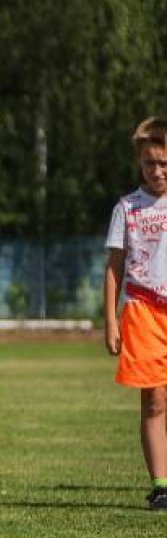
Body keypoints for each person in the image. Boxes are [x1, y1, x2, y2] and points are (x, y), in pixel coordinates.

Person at [104, 116, 167, 511]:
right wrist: (110, 320)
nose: (157, 171)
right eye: (149, 163)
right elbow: (114, 267)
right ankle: (161, 485)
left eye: (164, 163)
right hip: (142, 309)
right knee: (155, 401)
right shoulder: (127, 208)